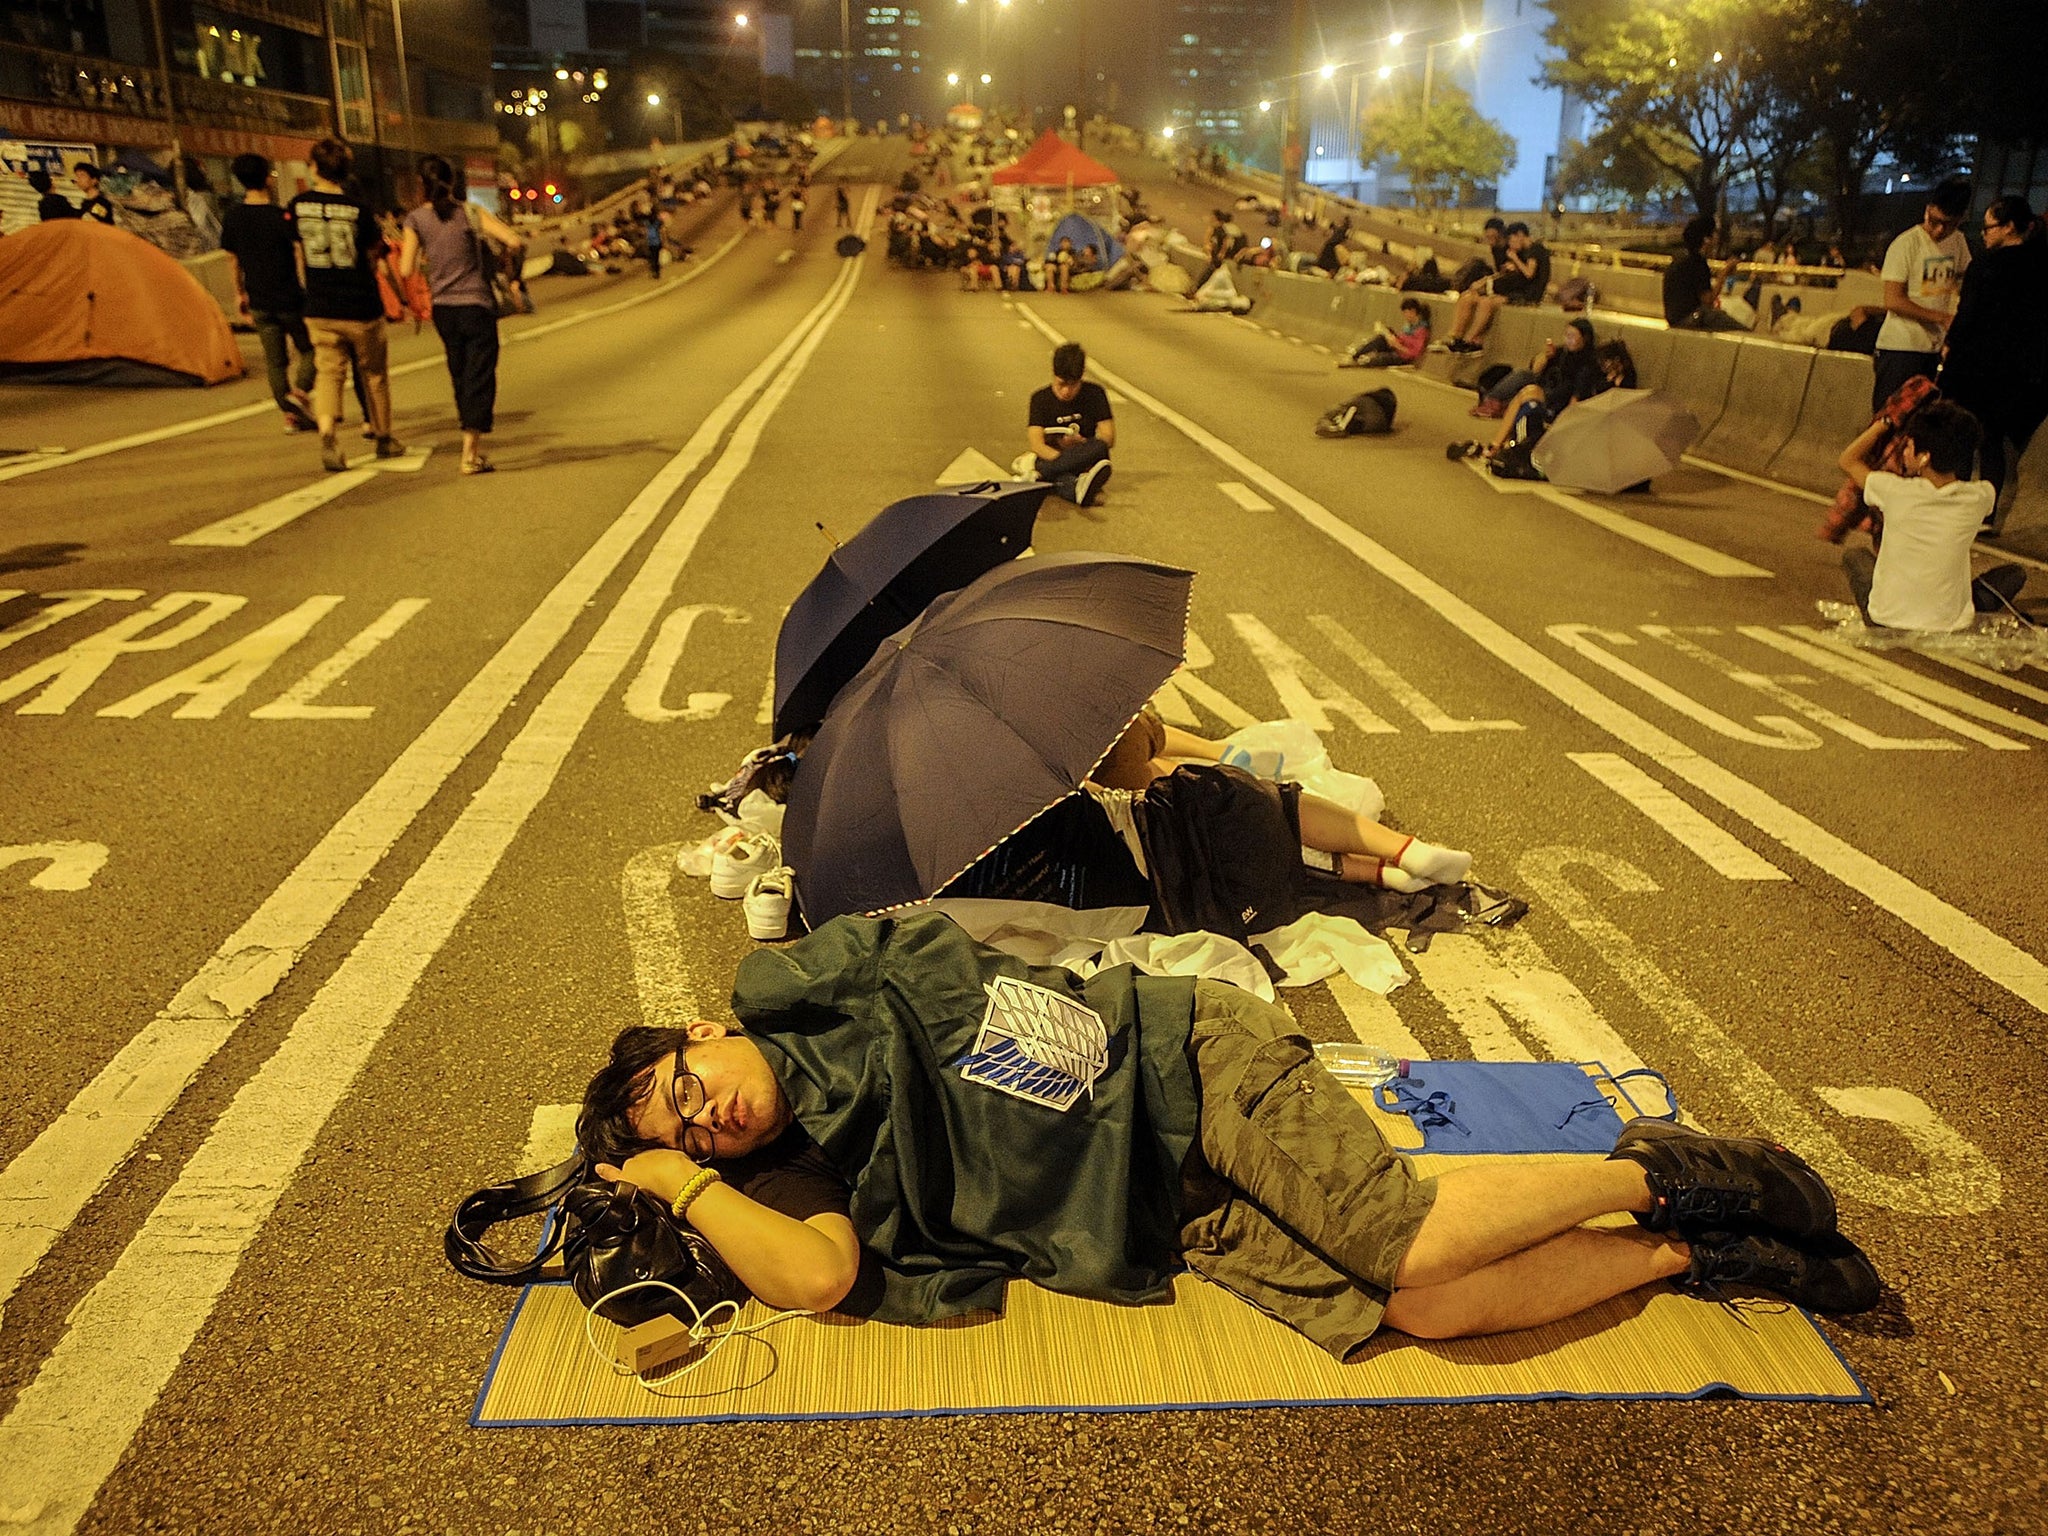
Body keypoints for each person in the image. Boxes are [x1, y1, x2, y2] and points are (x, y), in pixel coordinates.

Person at [577, 911, 1880, 1349]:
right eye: (696, 1140)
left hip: (1182, 1062)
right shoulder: (802, 1167)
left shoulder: (804, 987)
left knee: (1401, 1241)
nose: (716, 1118)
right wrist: (677, 1189)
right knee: (1406, 1316)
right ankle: (1698, 1254)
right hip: (1165, 1203)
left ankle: (1659, 1172)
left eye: (692, 1090)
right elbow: (817, 1276)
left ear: (702, 1032)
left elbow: (925, 952)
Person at [1836, 400, 2025, 627]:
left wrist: (1885, 422)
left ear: (1924, 456)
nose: (1904, 452)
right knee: (2014, 574)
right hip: (1950, 622)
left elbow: (1848, 460)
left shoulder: (1893, 490)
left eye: (1908, 446)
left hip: (1886, 619)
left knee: (1855, 556)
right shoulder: (1981, 496)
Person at [399, 155, 524, 477]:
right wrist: (498, 262)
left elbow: (405, 268)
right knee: (479, 376)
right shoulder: (470, 213)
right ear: (453, 182)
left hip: (444, 310)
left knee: (459, 372)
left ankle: (468, 441)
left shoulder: (415, 220)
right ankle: (470, 452)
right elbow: (513, 239)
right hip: (476, 305)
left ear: (421, 185)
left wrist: (433, 262)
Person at [290, 137, 401, 471]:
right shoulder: (359, 211)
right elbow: (371, 257)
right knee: (374, 374)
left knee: (328, 372)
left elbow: (297, 253)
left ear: (314, 167)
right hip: (360, 304)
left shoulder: (297, 206)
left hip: (320, 305)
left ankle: (327, 433)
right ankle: (383, 436)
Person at [1936, 196, 2048, 510]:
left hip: (1975, 366)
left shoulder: (1986, 265)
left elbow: (1967, 313)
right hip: (2016, 372)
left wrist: (1951, 345)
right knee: (1992, 442)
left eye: (1989, 228)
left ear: (2009, 227)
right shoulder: (2041, 265)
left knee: (1962, 435)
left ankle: (1956, 503)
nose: (1984, 234)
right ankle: (1988, 511)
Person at [220, 153, 317, 434]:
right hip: (289, 297)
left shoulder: (234, 217)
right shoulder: (281, 216)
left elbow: (232, 259)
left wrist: (239, 294)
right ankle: (298, 396)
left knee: (275, 361)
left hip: (259, 299)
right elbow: (299, 252)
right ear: (266, 178)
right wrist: (305, 284)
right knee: (311, 350)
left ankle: (290, 416)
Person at [1871, 179, 1972, 411]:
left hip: (1933, 349)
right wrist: (1941, 318)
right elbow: (1893, 300)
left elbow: (1964, 282)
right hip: (1900, 348)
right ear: (1927, 209)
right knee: (1888, 418)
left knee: (1920, 421)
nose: (1939, 230)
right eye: (1934, 221)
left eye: (1948, 225)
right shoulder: (1906, 244)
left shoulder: (1958, 242)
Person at [1437, 222, 1549, 353]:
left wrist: (1515, 260)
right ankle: (1455, 336)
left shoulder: (1536, 249)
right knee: (1468, 296)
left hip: (1528, 296)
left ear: (1520, 235)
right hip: (1516, 291)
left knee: (1486, 302)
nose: (1510, 245)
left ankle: (1471, 339)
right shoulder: (1525, 251)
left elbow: (1529, 273)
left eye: (1511, 240)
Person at [1026, 340, 1113, 504]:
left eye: (1073, 385)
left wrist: (1081, 445)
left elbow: (1108, 437)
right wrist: (1065, 459)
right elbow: (1036, 444)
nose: (1066, 391)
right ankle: (1076, 489)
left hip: (1085, 454)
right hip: (1052, 455)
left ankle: (1046, 476)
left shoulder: (1095, 394)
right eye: (1061, 384)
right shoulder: (1040, 399)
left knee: (1100, 447)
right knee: (1047, 465)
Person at [1662, 214, 1744, 331]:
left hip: (1674, 318)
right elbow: (1708, 300)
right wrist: (1724, 273)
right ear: (1706, 239)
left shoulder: (1680, 258)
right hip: (1690, 319)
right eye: (1714, 233)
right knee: (1732, 326)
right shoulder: (1697, 262)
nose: (1716, 238)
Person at [1340, 297, 1430, 368]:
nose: (1405, 316)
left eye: (1406, 313)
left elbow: (1414, 353)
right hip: (1397, 348)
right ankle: (1354, 356)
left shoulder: (1421, 330)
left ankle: (1365, 361)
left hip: (1402, 356)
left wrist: (1397, 345)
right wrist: (1392, 338)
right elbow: (1402, 339)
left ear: (1413, 312)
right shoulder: (1408, 326)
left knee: (1382, 358)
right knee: (1380, 339)